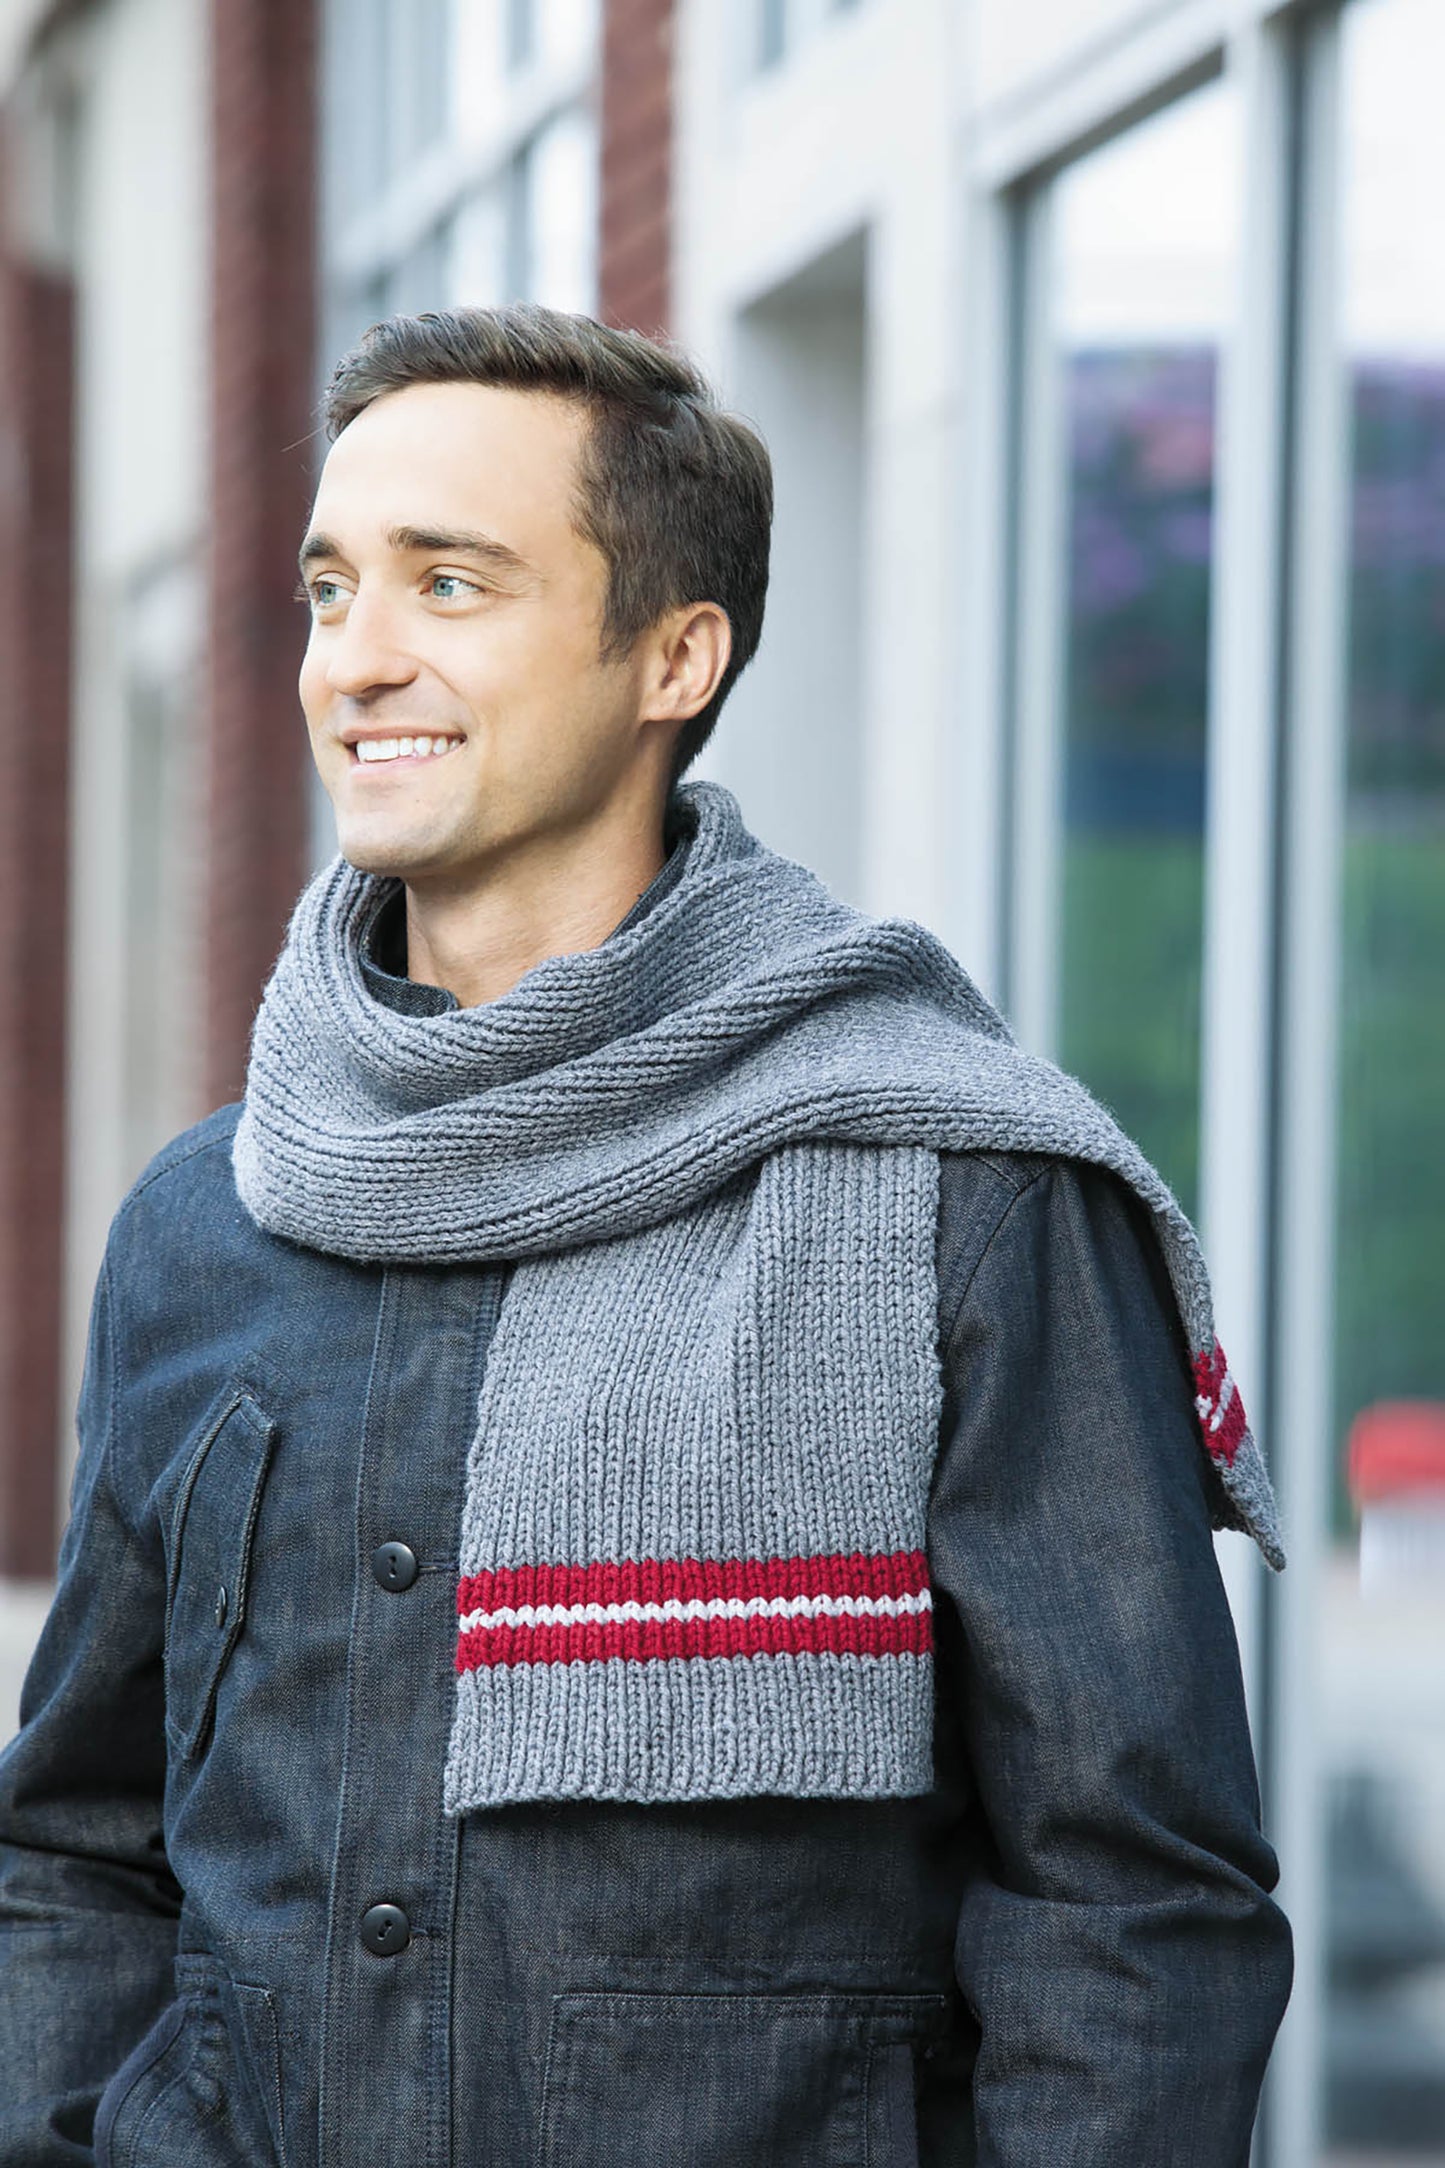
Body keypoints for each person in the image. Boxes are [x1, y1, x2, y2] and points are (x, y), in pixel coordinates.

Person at [0, 304, 1291, 2167]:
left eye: (450, 585)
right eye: (329, 589)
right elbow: (76, 1845)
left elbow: (1131, 1909)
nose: (356, 657)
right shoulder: (211, 1215)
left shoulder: (962, 1196)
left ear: (673, 657)